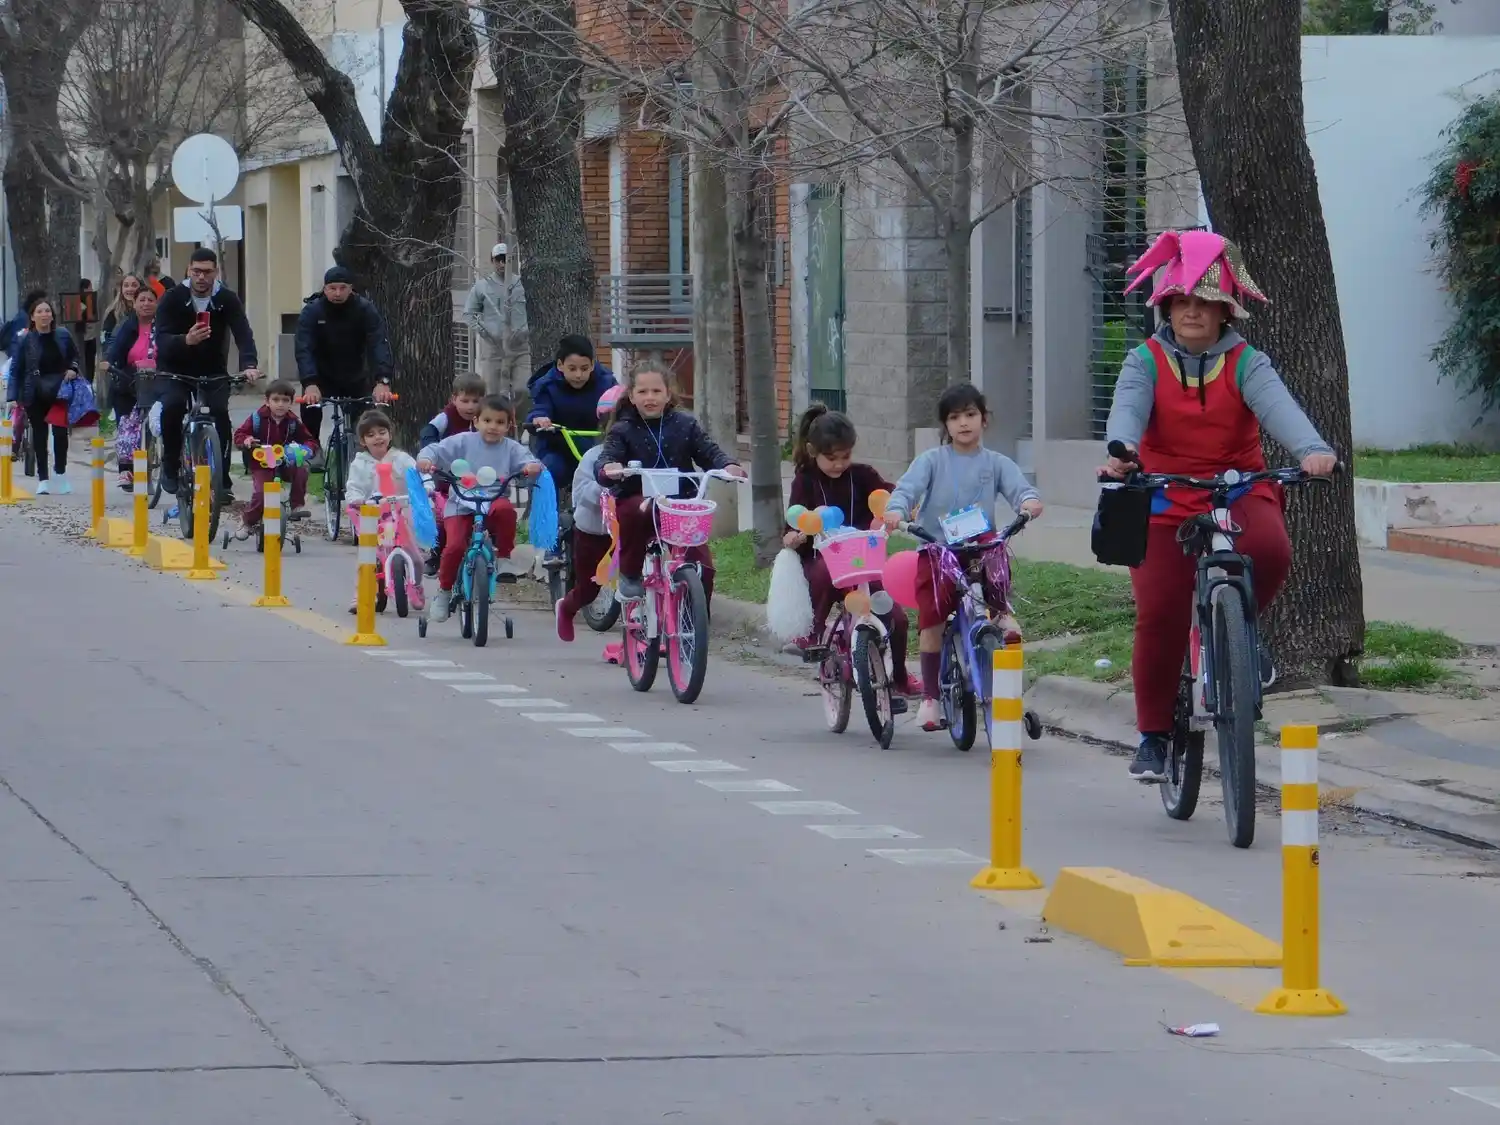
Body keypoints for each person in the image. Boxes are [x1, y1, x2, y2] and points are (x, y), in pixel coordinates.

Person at [1101, 229, 1337, 782]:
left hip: (1238, 486)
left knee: (1272, 551)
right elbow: (1127, 412)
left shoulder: (1247, 363)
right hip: (1161, 490)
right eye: (1181, 301)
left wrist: (1312, 451)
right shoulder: (1144, 361)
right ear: (1166, 305)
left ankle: (1241, 637)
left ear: (1225, 313)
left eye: (1204, 304)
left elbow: (1280, 409)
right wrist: (1122, 454)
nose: (1192, 313)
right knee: (1159, 613)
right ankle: (1154, 736)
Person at [884, 384, 1044, 732]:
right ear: (946, 426)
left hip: (978, 546)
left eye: (971, 415)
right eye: (954, 418)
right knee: (932, 619)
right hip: (937, 548)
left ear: (984, 420)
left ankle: (1000, 614)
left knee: (996, 555)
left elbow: (1022, 490)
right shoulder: (931, 461)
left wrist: (1029, 503)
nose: (964, 423)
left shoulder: (996, 463)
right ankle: (929, 698)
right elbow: (905, 490)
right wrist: (896, 510)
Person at [784, 404, 916, 694]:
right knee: (822, 575)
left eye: (845, 457)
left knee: (895, 617)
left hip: (864, 561)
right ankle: (813, 632)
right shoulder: (805, 481)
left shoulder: (863, 475)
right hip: (825, 558)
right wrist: (795, 536)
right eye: (830, 458)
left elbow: (890, 495)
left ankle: (900, 677)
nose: (839, 464)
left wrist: (903, 509)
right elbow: (792, 524)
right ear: (811, 450)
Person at [597, 365, 747, 602]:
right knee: (638, 510)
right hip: (639, 500)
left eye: (656, 391)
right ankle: (630, 575)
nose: (650, 398)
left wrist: (727, 465)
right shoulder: (622, 429)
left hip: (680, 504)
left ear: (668, 395)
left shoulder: (685, 424)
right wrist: (610, 468)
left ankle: (695, 621)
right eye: (643, 391)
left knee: (702, 566)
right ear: (632, 396)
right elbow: (607, 458)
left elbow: (709, 452)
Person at [417, 394, 541, 623]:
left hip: (494, 499)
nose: (493, 427)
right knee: (453, 547)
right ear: (476, 421)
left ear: (508, 426)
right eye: (487, 420)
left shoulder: (511, 448)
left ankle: (503, 557)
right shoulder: (462, 441)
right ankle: (444, 592)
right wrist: (426, 459)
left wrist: (532, 467)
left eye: (500, 422)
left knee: (506, 512)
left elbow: (529, 461)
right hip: (461, 501)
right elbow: (434, 450)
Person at [153, 247, 260, 501]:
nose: (201, 277)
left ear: (216, 272)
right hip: (175, 368)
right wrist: (185, 340)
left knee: (220, 414)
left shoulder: (227, 298)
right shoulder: (173, 297)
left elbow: (243, 333)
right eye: (196, 271)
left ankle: (222, 479)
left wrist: (249, 364)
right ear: (189, 270)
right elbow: (161, 339)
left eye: (207, 272)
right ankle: (169, 465)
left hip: (212, 369)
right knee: (174, 406)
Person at [294, 265, 395, 450]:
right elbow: (303, 348)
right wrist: (309, 382)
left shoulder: (365, 309)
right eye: (332, 288)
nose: (338, 293)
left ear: (351, 288)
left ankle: (362, 453)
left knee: (366, 420)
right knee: (310, 410)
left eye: (343, 288)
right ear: (324, 289)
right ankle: (312, 449)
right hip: (320, 375)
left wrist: (383, 380)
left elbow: (379, 343)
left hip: (355, 374)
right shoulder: (312, 311)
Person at [555, 384, 624, 643]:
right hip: (595, 530)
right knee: (589, 587)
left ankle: (645, 635)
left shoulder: (645, 453)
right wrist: (608, 483)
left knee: (643, 578)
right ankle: (567, 606)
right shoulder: (594, 457)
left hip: (632, 527)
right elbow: (583, 495)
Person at [344, 409, 421, 614]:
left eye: (381, 432)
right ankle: (360, 596)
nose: (377, 438)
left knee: (415, 555)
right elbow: (353, 487)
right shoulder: (360, 463)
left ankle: (416, 582)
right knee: (367, 556)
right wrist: (356, 499)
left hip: (400, 512)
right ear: (363, 441)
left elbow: (416, 478)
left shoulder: (401, 459)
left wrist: (424, 488)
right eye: (370, 435)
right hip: (374, 516)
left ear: (389, 434)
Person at [4, 296, 82, 494]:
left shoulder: (63, 335)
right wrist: (12, 397)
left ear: (52, 315)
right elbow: (16, 369)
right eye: (39, 311)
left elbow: (74, 356)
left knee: (60, 433)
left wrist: (73, 369)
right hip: (34, 390)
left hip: (59, 389)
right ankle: (43, 478)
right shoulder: (25, 339)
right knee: (40, 434)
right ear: (32, 317)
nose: (44, 314)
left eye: (47, 311)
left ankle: (61, 474)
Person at [526, 334, 617, 487]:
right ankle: (548, 510)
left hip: (595, 445)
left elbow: (618, 406)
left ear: (593, 365)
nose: (578, 375)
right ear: (560, 365)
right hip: (558, 446)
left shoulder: (607, 383)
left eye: (584, 368)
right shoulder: (546, 386)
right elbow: (540, 408)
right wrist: (539, 418)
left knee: (609, 473)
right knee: (550, 472)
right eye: (572, 368)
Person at [417, 375, 486, 577]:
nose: (470, 406)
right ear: (454, 399)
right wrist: (432, 454)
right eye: (465, 401)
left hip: (477, 474)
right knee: (443, 515)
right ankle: (436, 553)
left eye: (476, 401)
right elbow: (428, 432)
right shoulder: (446, 417)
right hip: (448, 475)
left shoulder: (485, 417)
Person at [232, 380, 317, 540]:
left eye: (285, 401)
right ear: (267, 401)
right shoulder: (257, 418)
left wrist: (306, 450)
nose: (280, 404)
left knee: (302, 470)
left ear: (291, 403)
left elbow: (309, 440)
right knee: (262, 494)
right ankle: (247, 520)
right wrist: (247, 440)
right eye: (276, 400)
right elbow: (239, 435)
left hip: (285, 462)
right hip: (261, 464)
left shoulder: (293, 421)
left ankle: (296, 506)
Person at [104, 284, 161, 489]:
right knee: (126, 422)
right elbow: (115, 352)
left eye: (150, 300)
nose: (146, 304)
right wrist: (109, 364)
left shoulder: (163, 326)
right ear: (135, 304)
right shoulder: (127, 326)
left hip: (158, 378)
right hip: (130, 380)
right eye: (142, 300)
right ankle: (126, 470)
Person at [464, 243, 529, 393]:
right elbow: (468, 314)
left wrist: (526, 330)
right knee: (492, 394)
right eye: (498, 260)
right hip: (494, 349)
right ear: (492, 261)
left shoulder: (522, 284)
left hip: (520, 348)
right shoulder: (482, 286)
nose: (502, 263)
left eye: (505, 259)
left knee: (523, 393)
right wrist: (485, 332)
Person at [101, 274, 143, 352]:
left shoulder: (148, 309)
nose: (130, 289)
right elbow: (105, 338)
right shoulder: (113, 312)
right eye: (126, 286)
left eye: (134, 285)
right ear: (121, 289)